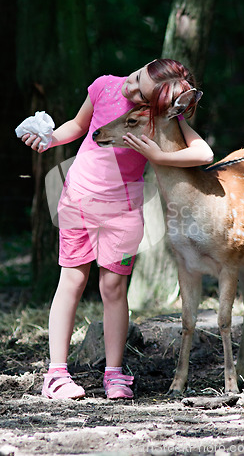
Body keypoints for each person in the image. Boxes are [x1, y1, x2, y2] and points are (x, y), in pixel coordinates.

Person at [21, 58, 214, 400]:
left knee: (113, 287)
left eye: (142, 92)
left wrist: (159, 156)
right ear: (141, 66)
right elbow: (78, 126)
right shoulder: (105, 86)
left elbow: (203, 152)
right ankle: (56, 374)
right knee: (73, 280)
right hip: (78, 199)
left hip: (123, 211)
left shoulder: (160, 113)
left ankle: (114, 373)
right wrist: (50, 139)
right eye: (138, 77)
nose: (132, 88)